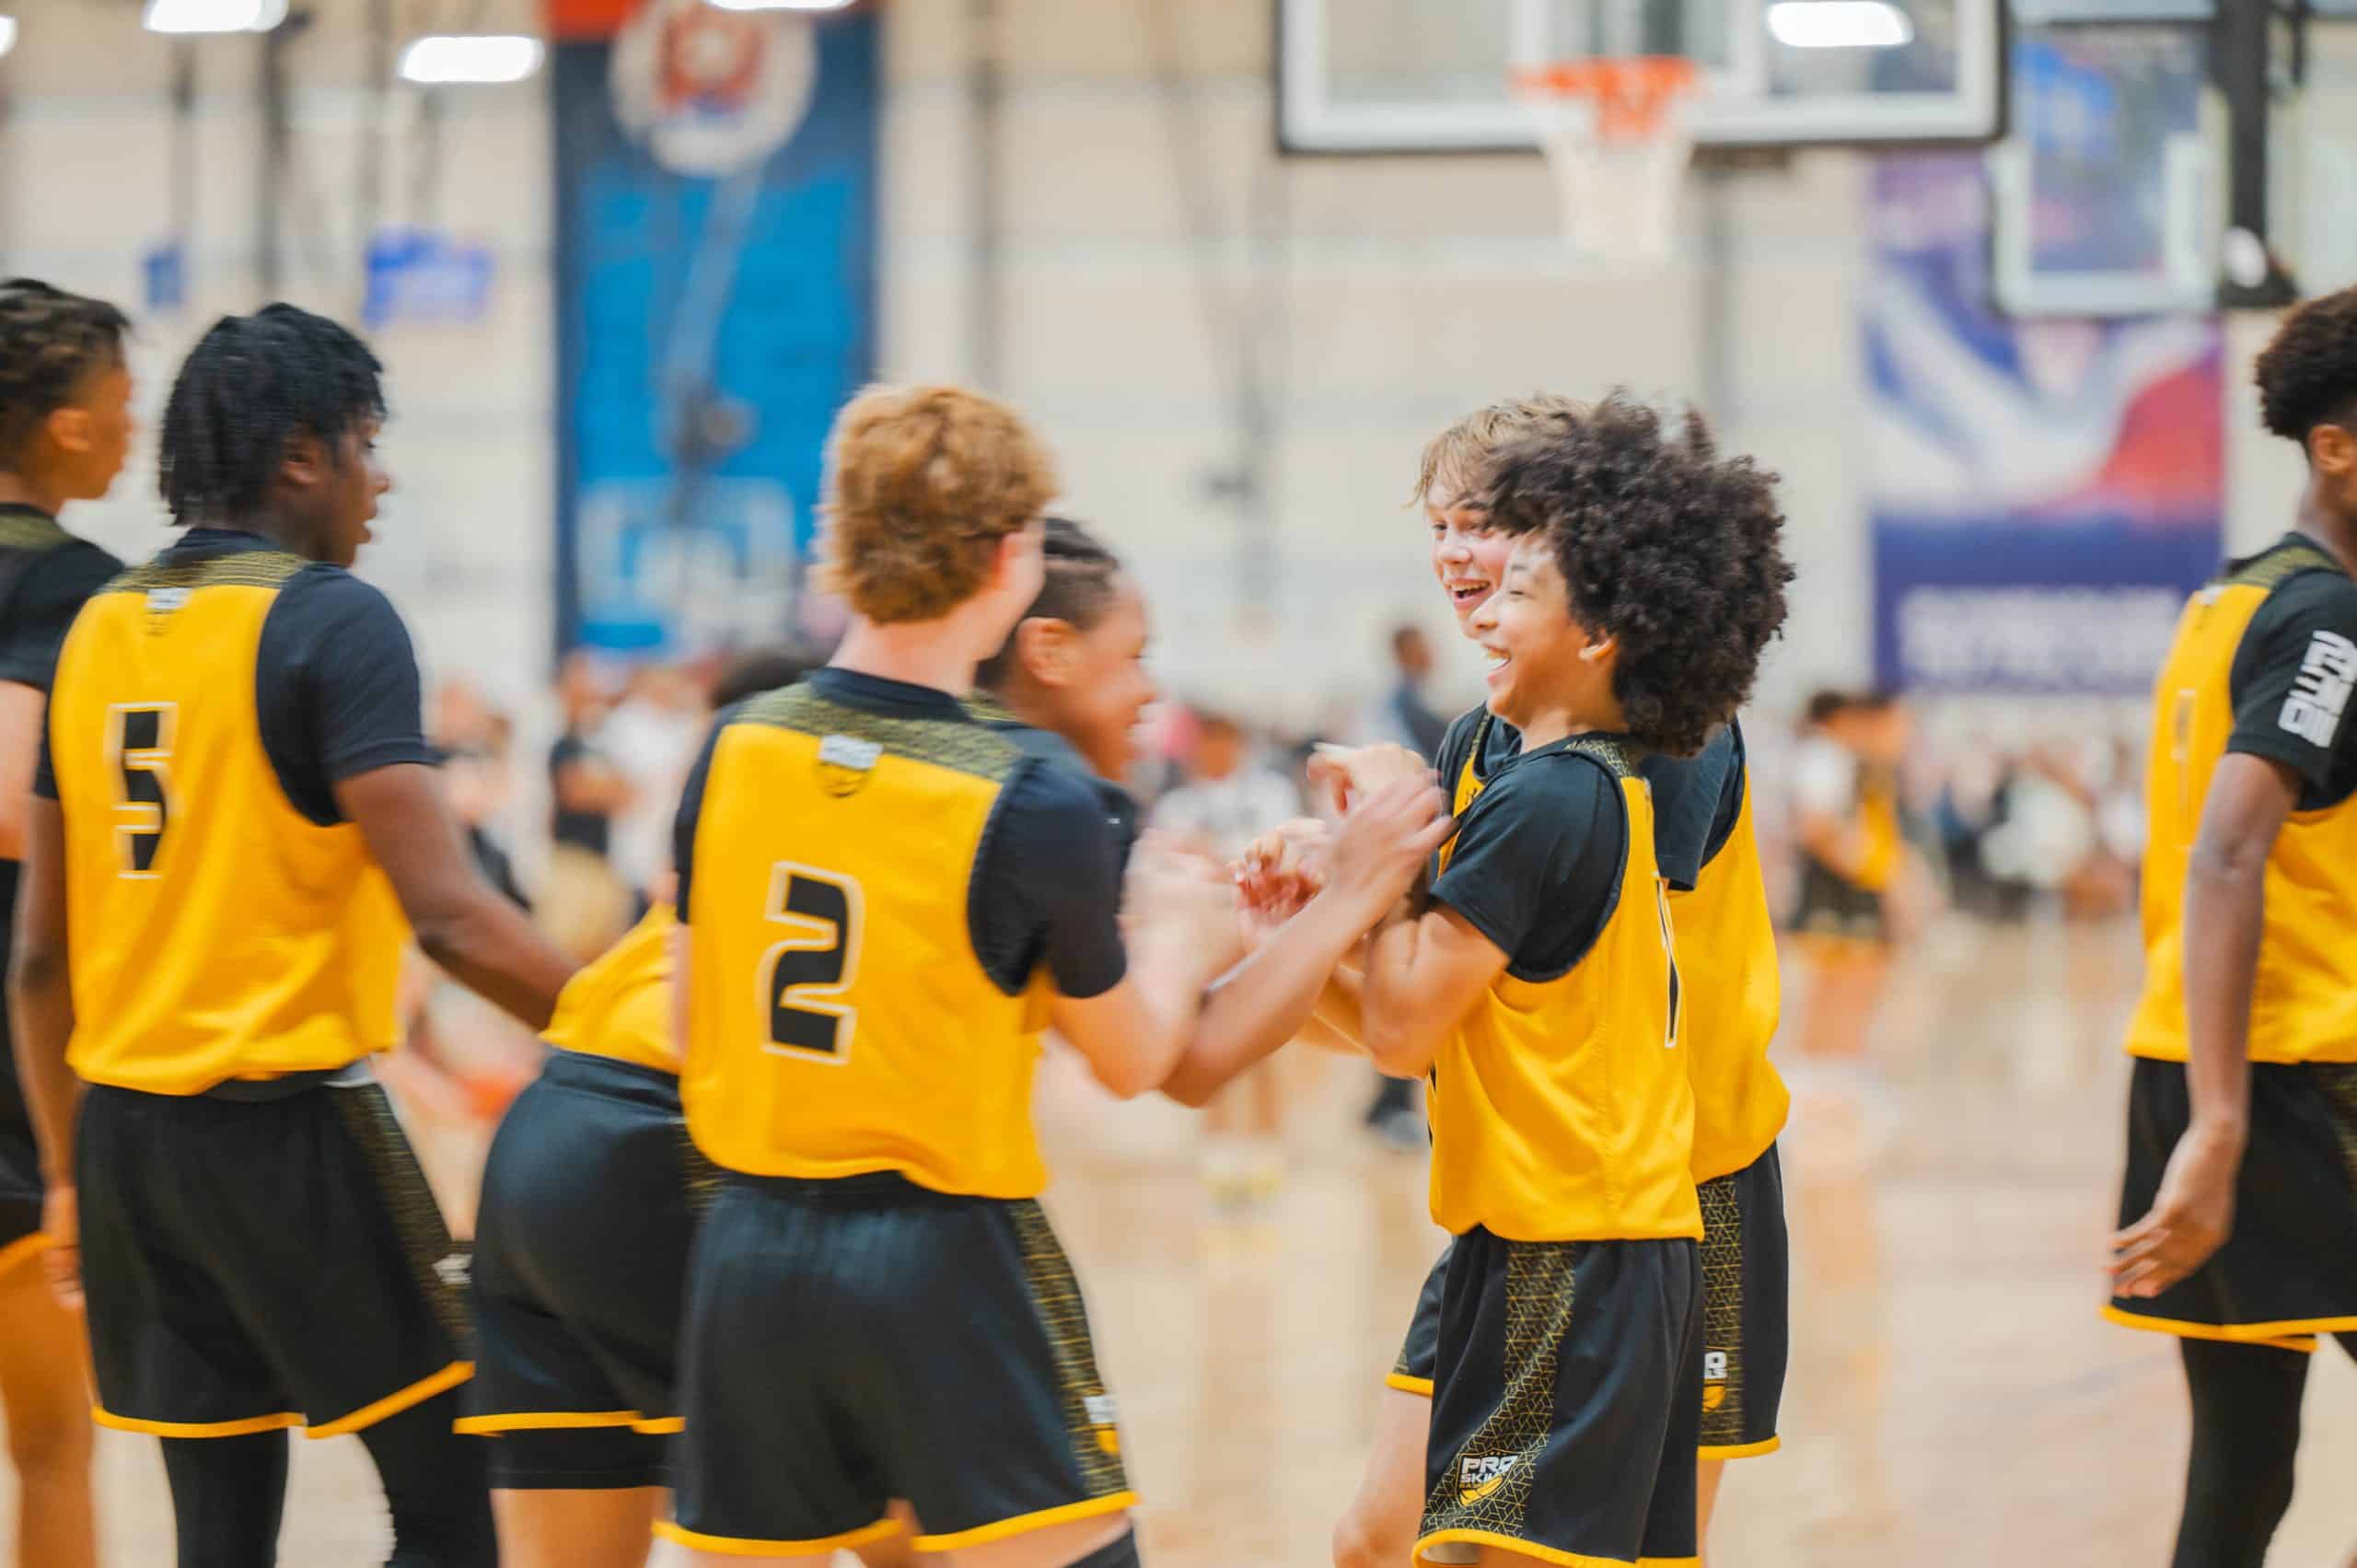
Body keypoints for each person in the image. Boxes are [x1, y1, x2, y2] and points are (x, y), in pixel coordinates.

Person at [658, 383, 1447, 1565]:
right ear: (1009, 555)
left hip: (745, 1243)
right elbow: (1138, 1060)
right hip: (937, 1251)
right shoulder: (1026, 786)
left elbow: (689, 1021)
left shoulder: (736, 739)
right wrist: (1192, 927)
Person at [7, 303, 577, 1568]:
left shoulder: (98, 626)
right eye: (369, 444)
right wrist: (625, 1024)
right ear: (303, 456)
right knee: (453, 1516)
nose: (384, 479)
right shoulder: (331, 617)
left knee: (218, 1533)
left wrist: (63, 1170)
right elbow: (449, 915)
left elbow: (41, 954)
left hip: (124, 1144)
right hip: (292, 1128)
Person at [1327, 390, 1793, 1568]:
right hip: (1529, 1200)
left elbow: (1582, 983)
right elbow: (1437, 1015)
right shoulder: (1485, 738)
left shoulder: (1652, 740)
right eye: (1438, 525)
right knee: (1377, 1539)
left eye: (1482, 523)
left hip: (1675, 1192)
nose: (1452, 552)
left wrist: (1370, 901)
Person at [2106, 285, 2357, 1568]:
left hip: (2196, 1058)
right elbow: (2226, 851)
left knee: (2245, 1457)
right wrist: (2221, 1124)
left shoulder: (2231, 600)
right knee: (2244, 1454)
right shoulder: (2330, 618)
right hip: (2297, 1078)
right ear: (2337, 446)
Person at [0, 276, 134, 1568]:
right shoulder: (73, 587)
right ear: (71, 424)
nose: (134, 427)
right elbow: (9, 800)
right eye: (122, 402)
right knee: (52, 1442)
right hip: (17, 1074)